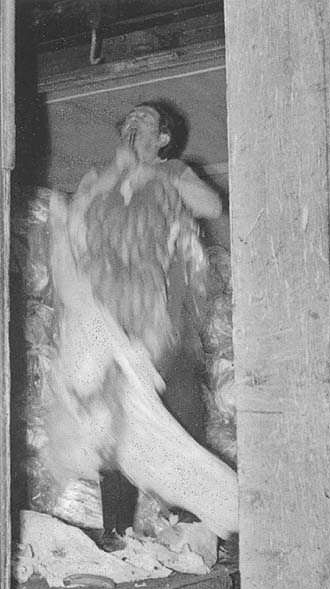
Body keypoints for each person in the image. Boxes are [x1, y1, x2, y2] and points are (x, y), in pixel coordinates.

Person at [96, 99, 223, 543]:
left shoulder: (172, 171)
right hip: (120, 330)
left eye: (145, 119)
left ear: (163, 137)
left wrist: (154, 174)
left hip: (168, 330)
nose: (133, 121)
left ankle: (193, 537)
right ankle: (116, 535)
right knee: (116, 431)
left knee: (183, 425)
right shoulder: (108, 183)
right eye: (128, 118)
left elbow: (210, 205)